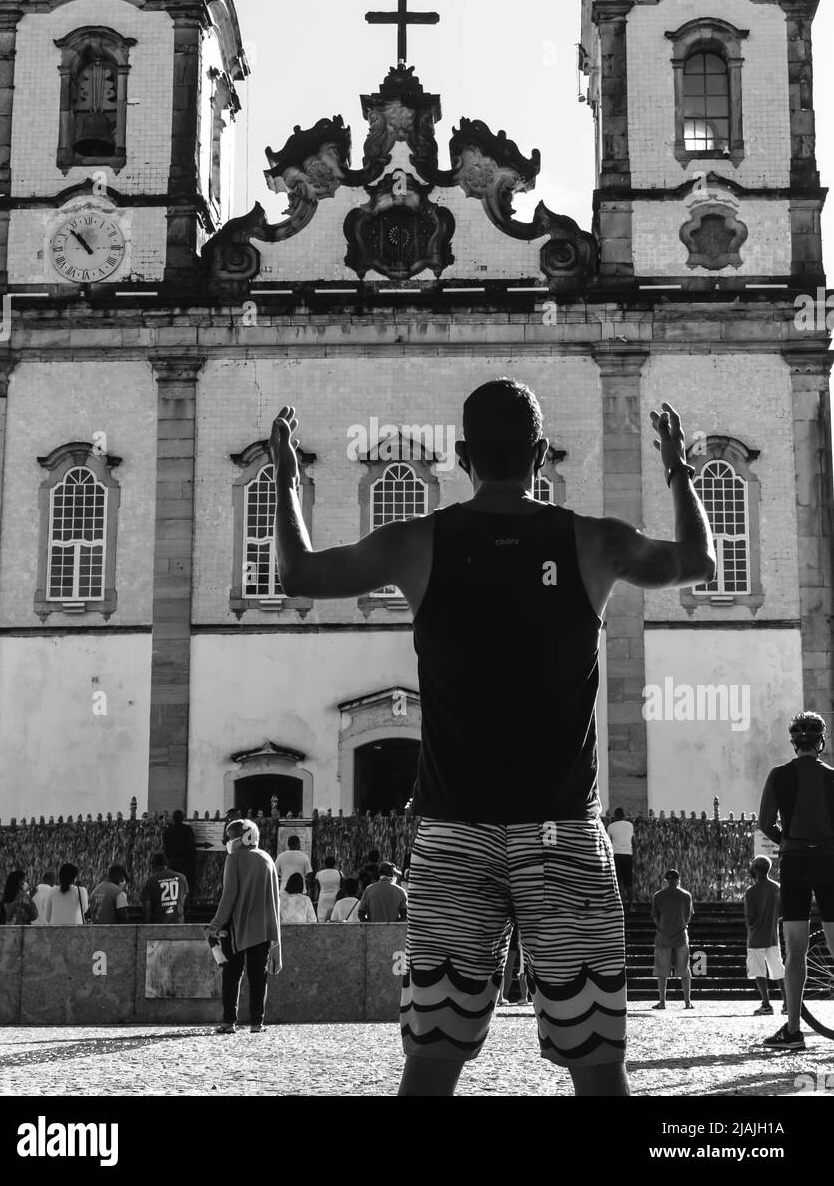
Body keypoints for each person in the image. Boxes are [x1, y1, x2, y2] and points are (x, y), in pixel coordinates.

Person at [269, 386, 716, 1096]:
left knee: (432, 1063)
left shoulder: (417, 542)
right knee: (598, 1066)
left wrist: (286, 480)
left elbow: (298, 573)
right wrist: (679, 471)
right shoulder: (591, 541)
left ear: (462, 457)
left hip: (453, 836)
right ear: (540, 457)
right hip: (562, 832)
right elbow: (698, 561)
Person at [758, 711, 834, 1049]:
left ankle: (792, 1031)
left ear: (794, 742)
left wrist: (786, 841)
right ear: (821, 742)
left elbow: (764, 822)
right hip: (829, 862)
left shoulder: (779, 776)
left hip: (794, 864)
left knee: (796, 950)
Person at [205, 818, 281, 1034]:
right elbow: (275, 901)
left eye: (231, 838)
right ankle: (258, 1023)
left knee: (232, 975)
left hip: (235, 928)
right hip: (263, 929)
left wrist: (215, 925)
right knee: (259, 977)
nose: (229, 842)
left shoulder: (234, 859)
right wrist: (277, 939)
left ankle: (229, 1022)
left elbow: (229, 896)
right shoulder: (268, 858)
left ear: (243, 837)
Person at [744, 856, 786, 1016]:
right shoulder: (777, 888)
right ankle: (786, 1003)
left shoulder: (751, 891)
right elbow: (782, 912)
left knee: (759, 971)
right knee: (778, 971)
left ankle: (766, 1004)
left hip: (755, 938)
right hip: (772, 936)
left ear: (755, 869)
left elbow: (749, 917)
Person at [651, 870, 694, 1010]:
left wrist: (662, 927)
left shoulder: (658, 896)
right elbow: (688, 916)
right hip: (681, 935)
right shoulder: (686, 896)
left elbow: (654, 916)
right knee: (684, 970)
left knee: (662, 971)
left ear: (666, 881)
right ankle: (687, 1002)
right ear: (679, 880)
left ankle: (662, 1002)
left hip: (663, 936)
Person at [141, 852, 188, 924]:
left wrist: (147, 925)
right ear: (167, 864)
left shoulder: (151, 880)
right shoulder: (182, 878)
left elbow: (146, 908)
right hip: (178, 923)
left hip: (158, 924)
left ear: (153, 865)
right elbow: (182, 900)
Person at [163, 810, 197, 904]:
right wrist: (193, 859)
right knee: (187, 883)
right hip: (186, 861)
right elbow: (191, 845)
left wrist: (168, 860)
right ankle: (187, 904)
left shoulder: (168, 830)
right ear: (182, 818)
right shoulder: (187, 829)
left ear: (173, 818)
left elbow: (165, 847)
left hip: (172, 861)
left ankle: (174, 904)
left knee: (173, 883)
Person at [607, 807, 635, 906]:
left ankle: (618, 906)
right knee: (629, 882)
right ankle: (631, 906)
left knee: (617, 882)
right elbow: (633, 841)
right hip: (628, 855)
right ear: (624, 816)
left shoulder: (610, 826)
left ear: (615, 816)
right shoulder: (630, 825)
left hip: (616, 855)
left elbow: (608, 843)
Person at [313, 854, 343, 922]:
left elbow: (318, 887)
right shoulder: (339, 873)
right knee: (334, 916)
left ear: (325, 864)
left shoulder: (319, 874)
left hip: (323, 897)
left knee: (322, 917)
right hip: (335, 897)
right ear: (334, 863)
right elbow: (342, 885)